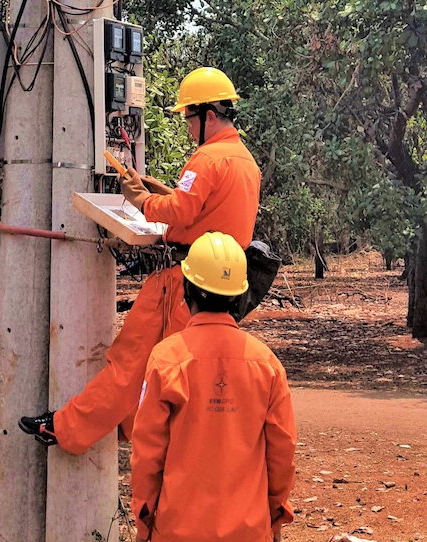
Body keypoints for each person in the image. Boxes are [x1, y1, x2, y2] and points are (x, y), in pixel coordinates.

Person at [19, 67, 261, 453]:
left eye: (189, 118)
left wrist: (141, 200)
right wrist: (157, 191)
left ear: (209, 116)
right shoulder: (245, 161)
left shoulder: (207, 159)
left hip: (182, 282)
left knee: (129, 362)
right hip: (220, 286)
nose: (187, 127)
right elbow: (206, 210)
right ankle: (131, 430)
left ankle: (67, 429)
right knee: (180, 372)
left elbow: (180, 212)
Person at [132, 232, 296, 542]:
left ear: (187, 289)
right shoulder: (266, 364)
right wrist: (275, 516)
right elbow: (282, 451)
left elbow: (147, 454)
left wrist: (144, 519)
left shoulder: (166, 360)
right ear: (240, 296)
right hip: (247, 541)